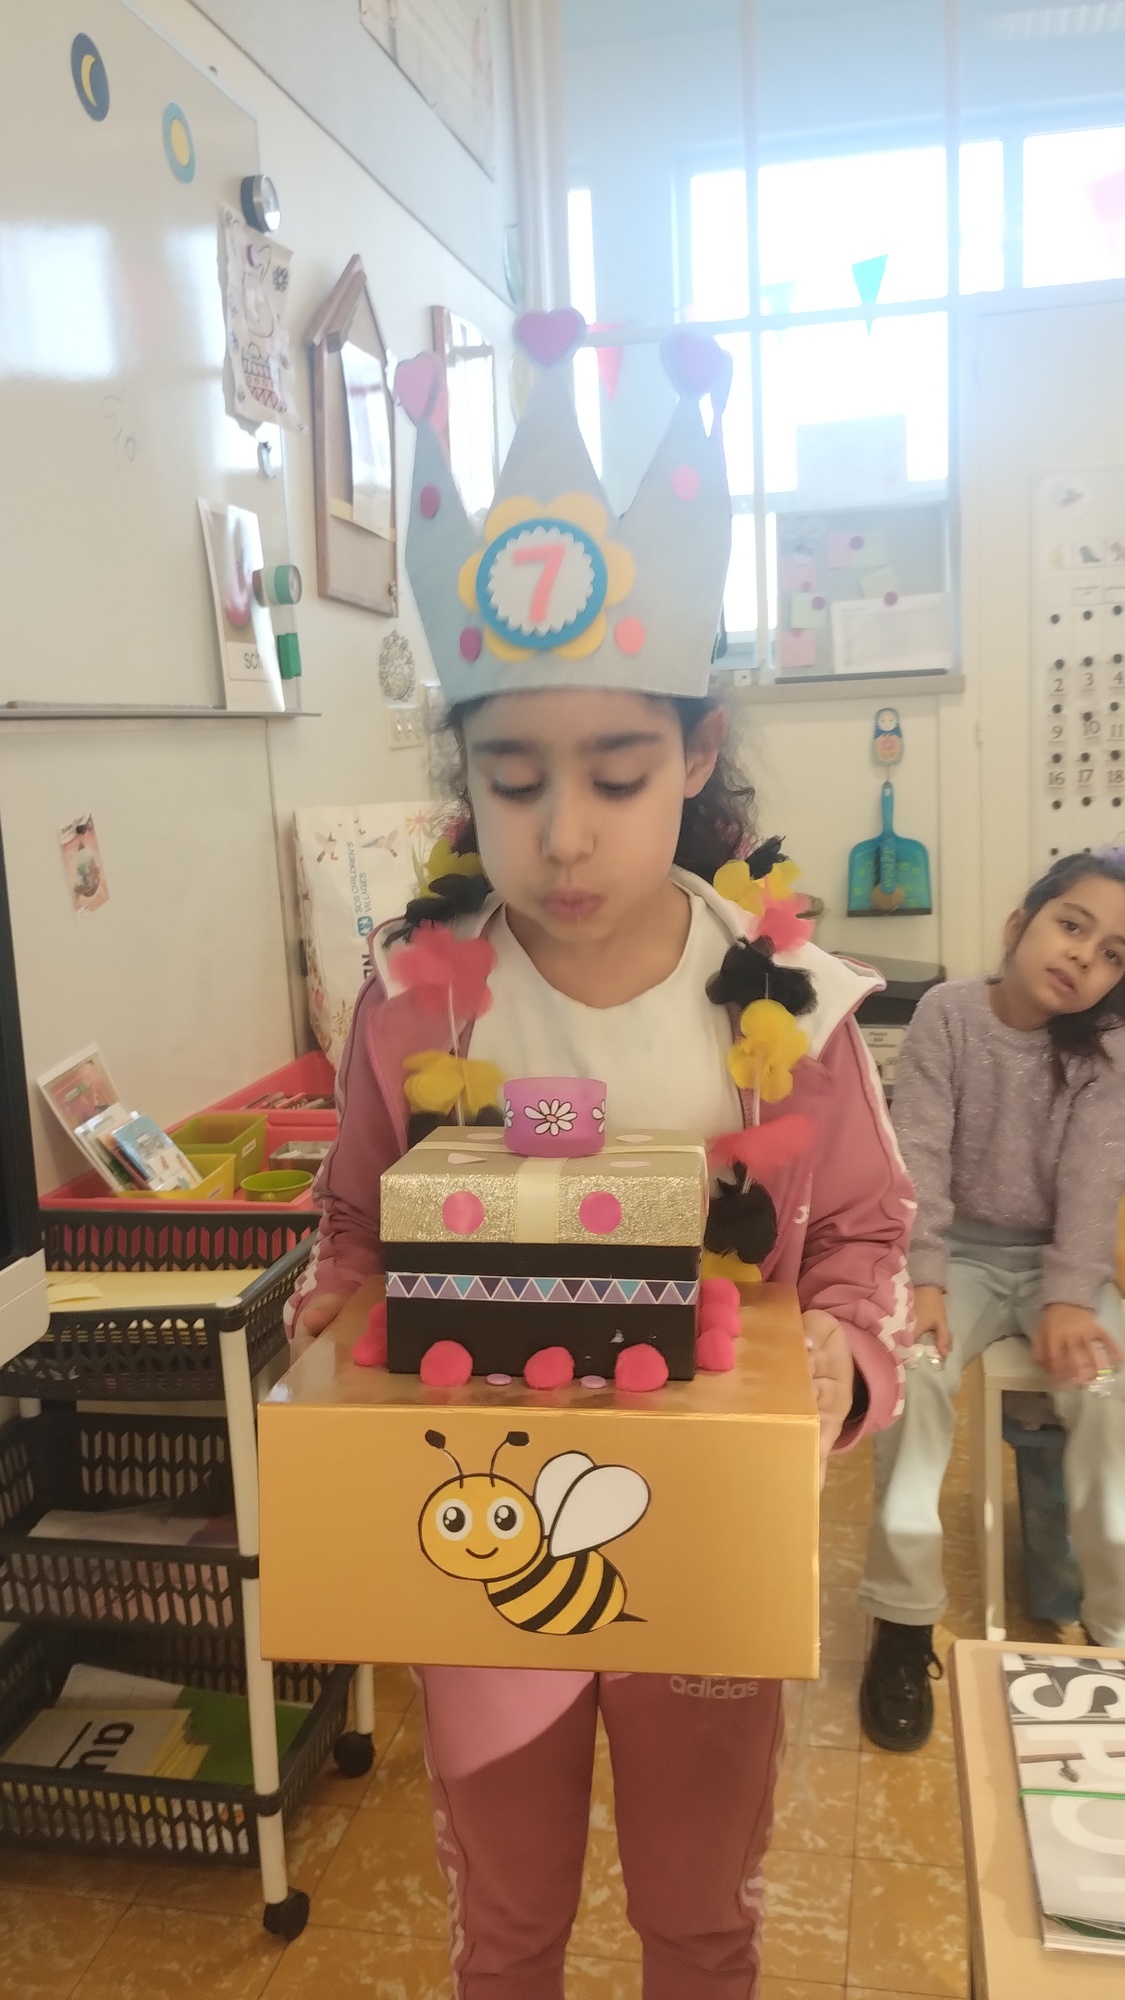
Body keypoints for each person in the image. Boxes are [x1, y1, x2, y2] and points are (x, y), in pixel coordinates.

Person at [288, 312, 915, 1999]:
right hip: (483, 1527)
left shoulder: (788, 1003)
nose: (563, 834)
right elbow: (353, 1218)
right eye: (512, 780)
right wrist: (338, 1304)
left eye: (618, 775)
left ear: (695, 759)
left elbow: (866, 1238)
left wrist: (843, 1357)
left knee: (701, 1915)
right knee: (506, 1920)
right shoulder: (413, 1006)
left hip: (701, 1538)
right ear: (465, 778)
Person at [859, 851, 1125, 1753]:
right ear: (1019, 926)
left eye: (1113, 953)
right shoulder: (947, 1014)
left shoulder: (1106, 1050)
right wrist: (925, 1276)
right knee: (911, 1371)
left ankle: (1112, 1633)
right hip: (955, 1257)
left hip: (1059, 1265)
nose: (1084, 956)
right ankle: (902, 1623)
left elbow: (1092, 1181)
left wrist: (1070, 1296)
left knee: (1106, 1393)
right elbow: (918, 1155)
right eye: (1072, 925)